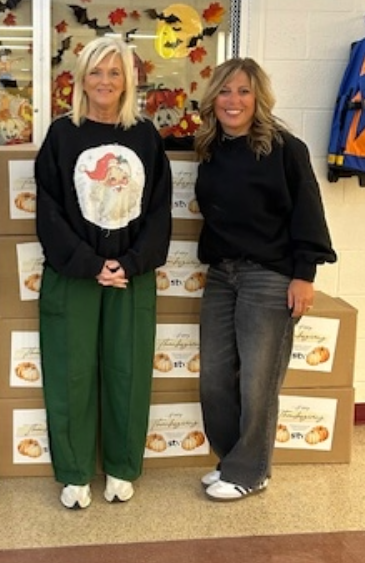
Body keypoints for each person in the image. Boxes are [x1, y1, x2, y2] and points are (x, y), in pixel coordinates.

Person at [34, 36, 172, 510]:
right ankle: (74, 472)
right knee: (70, 373)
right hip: (73, 275)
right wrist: (92, 265)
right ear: (82, 79)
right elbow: (48, 211)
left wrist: (128, 264)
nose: (105, 81)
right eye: (96, 72)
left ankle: (121, 466)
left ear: (128, 80)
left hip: (131, 276)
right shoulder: (62, 135)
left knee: (127, 371)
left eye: (115, 73)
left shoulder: (146, 137)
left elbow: (157, 211)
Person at [193, 57, 336, 502]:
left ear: (259, 98)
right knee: (214, 377)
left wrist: (303, 275)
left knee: (258, 379)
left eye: (243, 91)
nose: (233, 101)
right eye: (225, 91)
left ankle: (251, 471)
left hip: (270, 277)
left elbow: (308, 212)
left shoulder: (284, 149)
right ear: (213, 97)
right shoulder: (211, 147)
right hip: (221, 273)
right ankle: (231, 460)